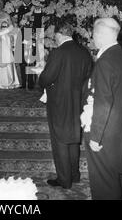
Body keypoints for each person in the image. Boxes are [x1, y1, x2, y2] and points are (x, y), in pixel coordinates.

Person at [81, 18, 122, 200]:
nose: (93, 37)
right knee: (115, 180)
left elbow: (103, 101)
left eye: (95, 33)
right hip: (119, 125)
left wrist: (96, 136)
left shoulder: (105, 61)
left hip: (104, 130)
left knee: (103, 182)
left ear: (102, 35)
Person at [39, 23, 92, 189]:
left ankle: (64, 179)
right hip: (78, 102)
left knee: (60, 140)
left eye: (55, 35)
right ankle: (75, 175)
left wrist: (41, 75)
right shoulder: (84, 52)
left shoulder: (59, 52)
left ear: (59, 35)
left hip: (59, 102)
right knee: (73, 139)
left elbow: (46, 78)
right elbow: (89, 78)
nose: (54, 38)